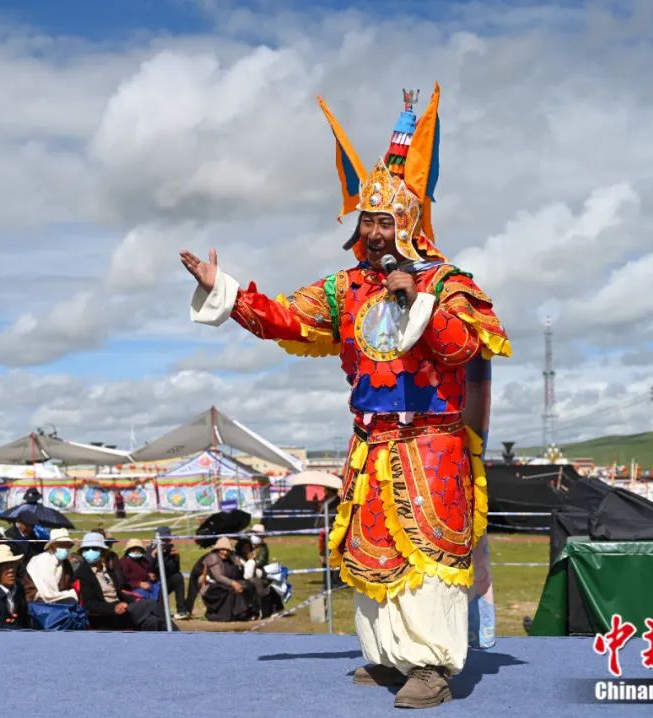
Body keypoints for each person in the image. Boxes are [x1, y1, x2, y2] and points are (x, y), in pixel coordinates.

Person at [180, 86, 510, 708]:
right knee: (373, 550)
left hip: (432, 445)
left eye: (387, 221)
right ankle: (389, 656)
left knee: (429, 556)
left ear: (409, 222)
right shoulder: (345, 289)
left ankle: (431, 666)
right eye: (368, 221)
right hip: (372, 443)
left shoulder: (449, 282)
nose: (376, 233)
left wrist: (418, 300)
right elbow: (284, 316)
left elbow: (467, 346)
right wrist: (225, 289)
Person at [73, 532, 167, 631]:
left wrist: (135, 600)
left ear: (103, 551)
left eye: (94, 548)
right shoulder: (82, 574)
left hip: (122, 609)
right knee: (151, 605)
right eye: (86, 549)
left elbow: (118, 593)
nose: (90, 551)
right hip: (106, 616)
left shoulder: (107, 570)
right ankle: (176, 635)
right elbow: (89, 604)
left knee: (152, 621)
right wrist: (114, 608)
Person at [199, 537, 253, 622]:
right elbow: (218, 577)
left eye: (228, 550)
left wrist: (238, 564)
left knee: (247, 585)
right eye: (223, 549)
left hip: (225, 584)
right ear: (218, 549)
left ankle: (241, 614)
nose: (225, 552)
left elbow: (238, 574)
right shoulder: (213, 557)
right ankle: (221, 616)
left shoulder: (230, 558)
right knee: (229, 590)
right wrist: (234, 583)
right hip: (212, 587)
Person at [149, 527, 190, 620]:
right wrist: (154, 555)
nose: (166, 543)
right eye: (163, 540)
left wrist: (176, 557)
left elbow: (174, 570)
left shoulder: (171, 550)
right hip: (154, 584)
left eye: (168, 540)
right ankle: (160, 609)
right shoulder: (150, 549)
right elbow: (148, 569)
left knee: (178, 577)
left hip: (165, 582)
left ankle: (181, 610)